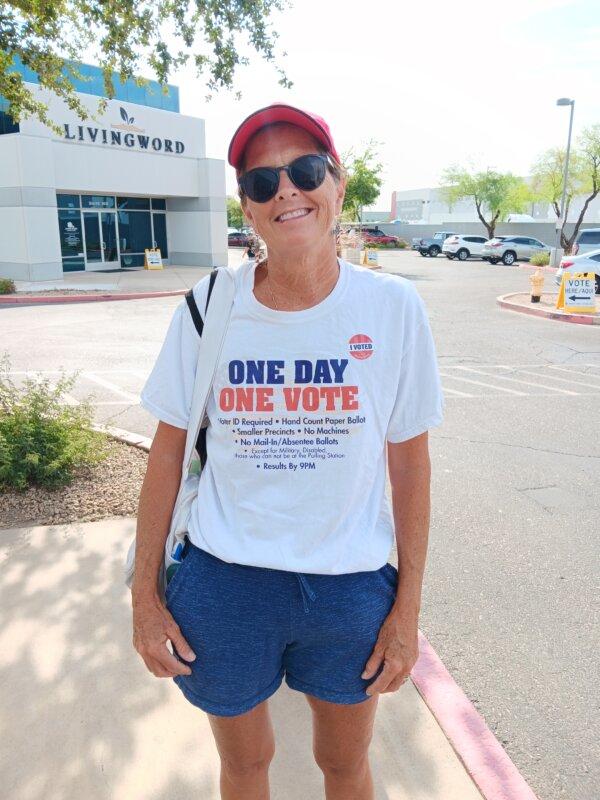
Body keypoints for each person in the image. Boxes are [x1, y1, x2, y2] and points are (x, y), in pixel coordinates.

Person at [132, 102, 445, 800]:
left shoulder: (393, 309)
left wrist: (408, 610)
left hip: (350, 587)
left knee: (345, 766)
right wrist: (144, 597)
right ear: (245, 205)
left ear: (339, 183)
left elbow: (410, 464)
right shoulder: (209, 306)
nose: (287, 192)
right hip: (225, 583)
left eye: (305, 171)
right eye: (261, 181)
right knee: (245, 766)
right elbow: (166, 451)